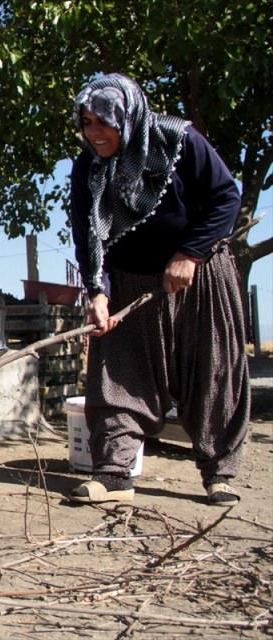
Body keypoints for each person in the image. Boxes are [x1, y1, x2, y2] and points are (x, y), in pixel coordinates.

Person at [66, 73, 250, 506]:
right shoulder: (88, 168)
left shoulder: (179, 141)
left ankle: (219, 473)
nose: (94, 133)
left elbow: (226, 196)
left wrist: (190, 253)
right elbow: (86, 233)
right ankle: (113, 474)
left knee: (212, 370)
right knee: (117, 377)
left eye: (103, 122)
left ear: (127, 118)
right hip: (129, 283)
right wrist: (97, 292)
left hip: (197, 278)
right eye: (86, 122)